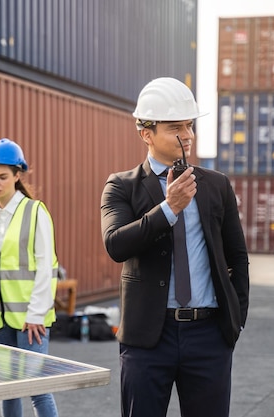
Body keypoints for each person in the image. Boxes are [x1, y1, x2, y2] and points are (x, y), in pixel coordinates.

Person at [100, 77, 250, 417]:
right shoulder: (121, 186)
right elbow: (116, 244)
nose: (187, 136)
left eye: (190, 126)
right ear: (146, 133)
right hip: (148, 339)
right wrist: (170, 208)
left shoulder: (216, 185)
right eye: (174, 127)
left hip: (208, 336)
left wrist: (234, 320)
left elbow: (237, 257)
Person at [0, 138, 59, 417]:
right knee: (6, 389)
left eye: (2, 177)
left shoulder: (35, 212)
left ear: (17, 175)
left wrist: (36, 314)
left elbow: (47, 267)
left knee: (37, 388)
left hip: (29, 319)